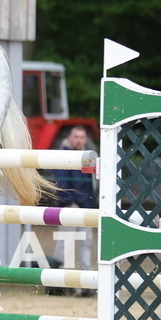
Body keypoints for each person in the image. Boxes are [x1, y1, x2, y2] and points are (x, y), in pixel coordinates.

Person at [53, 125, 98, 294]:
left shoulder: (87, 157)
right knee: (65, 244)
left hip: (85, 207)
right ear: (70, 138)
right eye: (76, 137)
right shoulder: (63, 155)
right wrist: (69, 202)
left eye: (82, 137)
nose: (79, 140)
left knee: (85, 244)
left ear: (85, 139)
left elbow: (91, 185)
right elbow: (61, 182)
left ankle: (86, 283)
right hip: (69, 207)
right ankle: (58, 282)